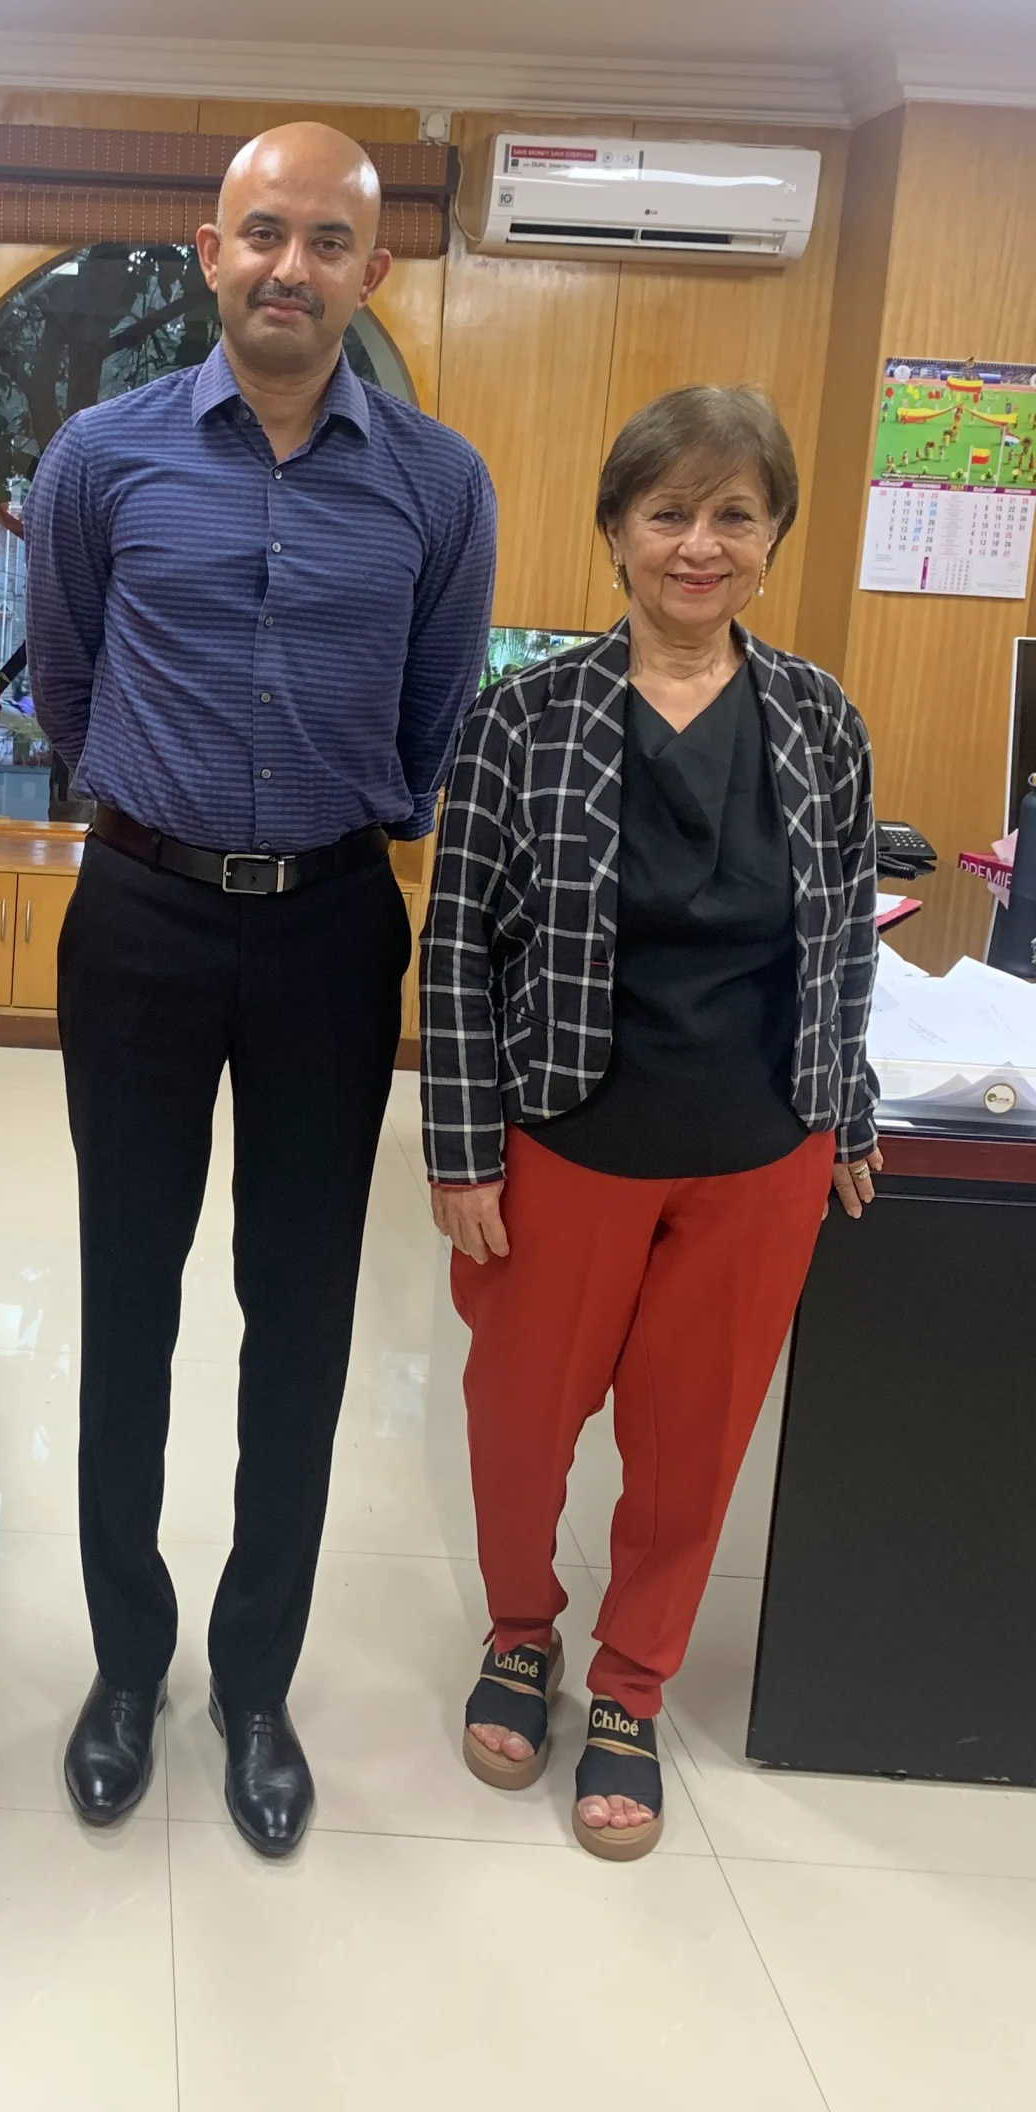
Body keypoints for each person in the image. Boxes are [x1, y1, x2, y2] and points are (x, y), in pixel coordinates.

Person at [26, 123, 497, 1855]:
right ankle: (122, 1664)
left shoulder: (440, 485)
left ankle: (254, 1681)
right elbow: (66, 683)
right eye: (263, 233)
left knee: (299, 1319)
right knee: (127, 1302)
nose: (291, 266)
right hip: (141, 921)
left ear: (376, 270)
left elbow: (435, 715)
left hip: (329, 931)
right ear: (208, 252)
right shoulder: (101, 456)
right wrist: (157, 813)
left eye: (329, 241)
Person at [422, 384, 879, 1862]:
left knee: (693, 1441)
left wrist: (849, 1111)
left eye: (734, 515)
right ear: (616, 530)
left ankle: (631, 1686)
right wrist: (460, 1148)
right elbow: (457, 947)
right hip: (566, 1142)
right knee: (519, 1422)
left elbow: (844, 945)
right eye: (669, 512)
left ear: (773, 537)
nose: (699, 544)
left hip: (759, 1148)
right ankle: (521, 1630)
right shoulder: (525, 716)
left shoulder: (820, 719)